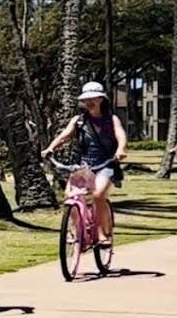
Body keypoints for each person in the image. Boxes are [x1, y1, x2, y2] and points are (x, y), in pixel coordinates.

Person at [41, 81, 128, 247]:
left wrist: (121, 149)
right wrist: (50, 148)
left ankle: (103, 234)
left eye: (93, 98)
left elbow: (120, 134)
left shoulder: (111, 119)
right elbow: (64, 136)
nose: (89, 102)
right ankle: (75, 231)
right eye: (86, 99)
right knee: (69, 195)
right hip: (85, 165)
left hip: (106, 164)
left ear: (101, 99)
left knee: (98, 195)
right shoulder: (79, 120)